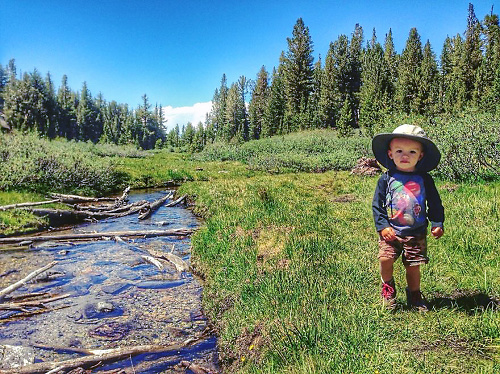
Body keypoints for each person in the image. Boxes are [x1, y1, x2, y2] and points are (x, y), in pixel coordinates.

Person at [371, 124, 444, 311]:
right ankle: (388, 289)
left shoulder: (425, 179)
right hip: (391, 232)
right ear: (390, 154)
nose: (405, 156)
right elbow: (377, 205)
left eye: (412, 151)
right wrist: (382, 226)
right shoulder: (386, 179)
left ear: (420, 156)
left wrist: (437, 222)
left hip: (416, 232)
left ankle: (415, 295)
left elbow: (435, 203)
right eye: (399, 151)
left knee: (413, 266)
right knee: (385, 259)